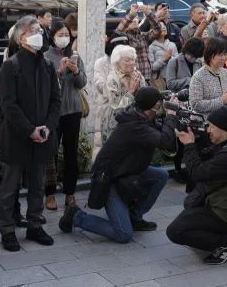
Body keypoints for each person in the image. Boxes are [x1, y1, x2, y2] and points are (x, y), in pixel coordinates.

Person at [60, 86, 175, 242]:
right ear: (153, 106)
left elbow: (165, 135)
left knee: (161, 176)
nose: (161, 107)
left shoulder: (140, 116)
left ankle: (135, 217)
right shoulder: (135, 125)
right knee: (123, 234)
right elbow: (165, 141)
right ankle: (76, 216)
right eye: (159, 104)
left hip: (126, 171)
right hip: (108, 179)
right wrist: (171, 115)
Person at [0, 15, 61, 252]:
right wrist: (30, 130)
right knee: (10, 187)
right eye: (32, 31)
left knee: (37, 185)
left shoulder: (48, 65)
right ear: (21, 38)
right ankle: (7, 230)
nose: (38, 34)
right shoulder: (10, 66)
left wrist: (47, 127)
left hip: (42, 136)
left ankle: (35, 224)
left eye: (39, 30)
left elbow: (55, 100)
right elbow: (8, 105)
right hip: (17, 136)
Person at [165, 106, 227, 265]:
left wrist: (189, 145)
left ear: (224, 129)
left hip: (225, 214)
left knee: (175, 231)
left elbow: (197, 173)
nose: (208, 130)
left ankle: (226, 243)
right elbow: (205, 155)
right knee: (190, 204)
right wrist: (194, 139)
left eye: (211, 126)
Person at [41, 20, 87, 211]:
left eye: (66, 35)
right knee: (50, 154)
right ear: (52, 36)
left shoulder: (75, 55)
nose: (64, 38)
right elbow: (45, 88)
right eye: (60, 35)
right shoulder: (45, 57)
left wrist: (75, 71)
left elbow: (82, 83)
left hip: (73, 110)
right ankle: (50, 194)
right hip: (53, 113)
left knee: (71, 153)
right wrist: (59, 73)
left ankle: (70, 193)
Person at [102, 44, 145, 145]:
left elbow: (144, 99)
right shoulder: (112, 79)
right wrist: (131, 91)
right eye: (127, 60)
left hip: (136, 123)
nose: (131, 63)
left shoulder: (138, 75)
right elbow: (117, 109)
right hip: (116, 126)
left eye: (133, 59)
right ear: (117, 62)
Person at [187, 37, 227, 118]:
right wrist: (222, 100)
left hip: (226, 121)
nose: (224, 58)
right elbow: (196, 104)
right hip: (206, 122)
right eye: (220, 55)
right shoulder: (198, 76)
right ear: (210, 55)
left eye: (225, 54)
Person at [149, 21, 178, 90]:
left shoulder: (172, 45)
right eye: (161, 27)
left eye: (164, 26)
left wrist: (170, 58)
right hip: (159, 80)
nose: (164, 28)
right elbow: (151, 68)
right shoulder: (151, 47)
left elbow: (177, 62)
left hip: (173, 78)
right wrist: (163, 60)